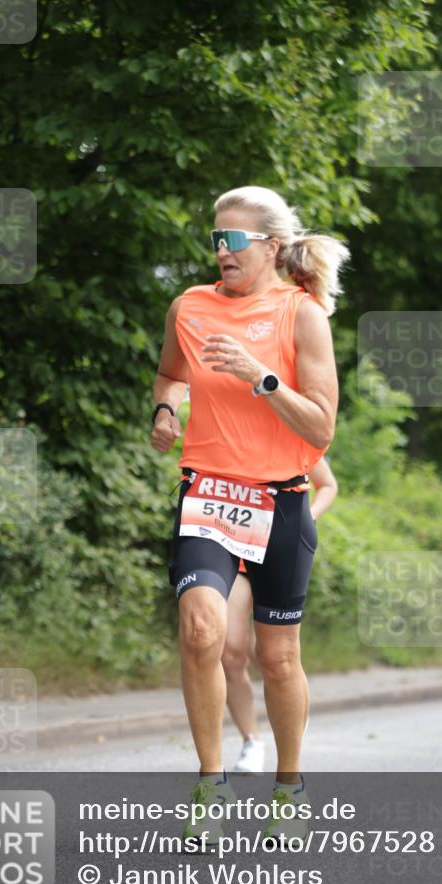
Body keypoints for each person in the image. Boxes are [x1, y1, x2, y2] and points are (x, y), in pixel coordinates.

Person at [150, 185, 348, 844]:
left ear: (267, 246)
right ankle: (210, 781)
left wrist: (260, 377)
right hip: (208, 492)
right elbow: (171, 374)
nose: (219, 251)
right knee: (201, 630)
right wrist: (165, 409)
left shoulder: (301, 316)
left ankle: (288, 785)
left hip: (280, 499)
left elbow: (320, 428)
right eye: (213, 239)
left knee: (277, 659)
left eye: (230, 240)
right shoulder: (189, 306)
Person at [225, 457, 338, 774]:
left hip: (275, 546)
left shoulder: (289, 427)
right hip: (231, 548)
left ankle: (290, 736)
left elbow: (328, 484)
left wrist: (307, 515)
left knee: (275, 657)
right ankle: (252, 742)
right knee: (230, 651)